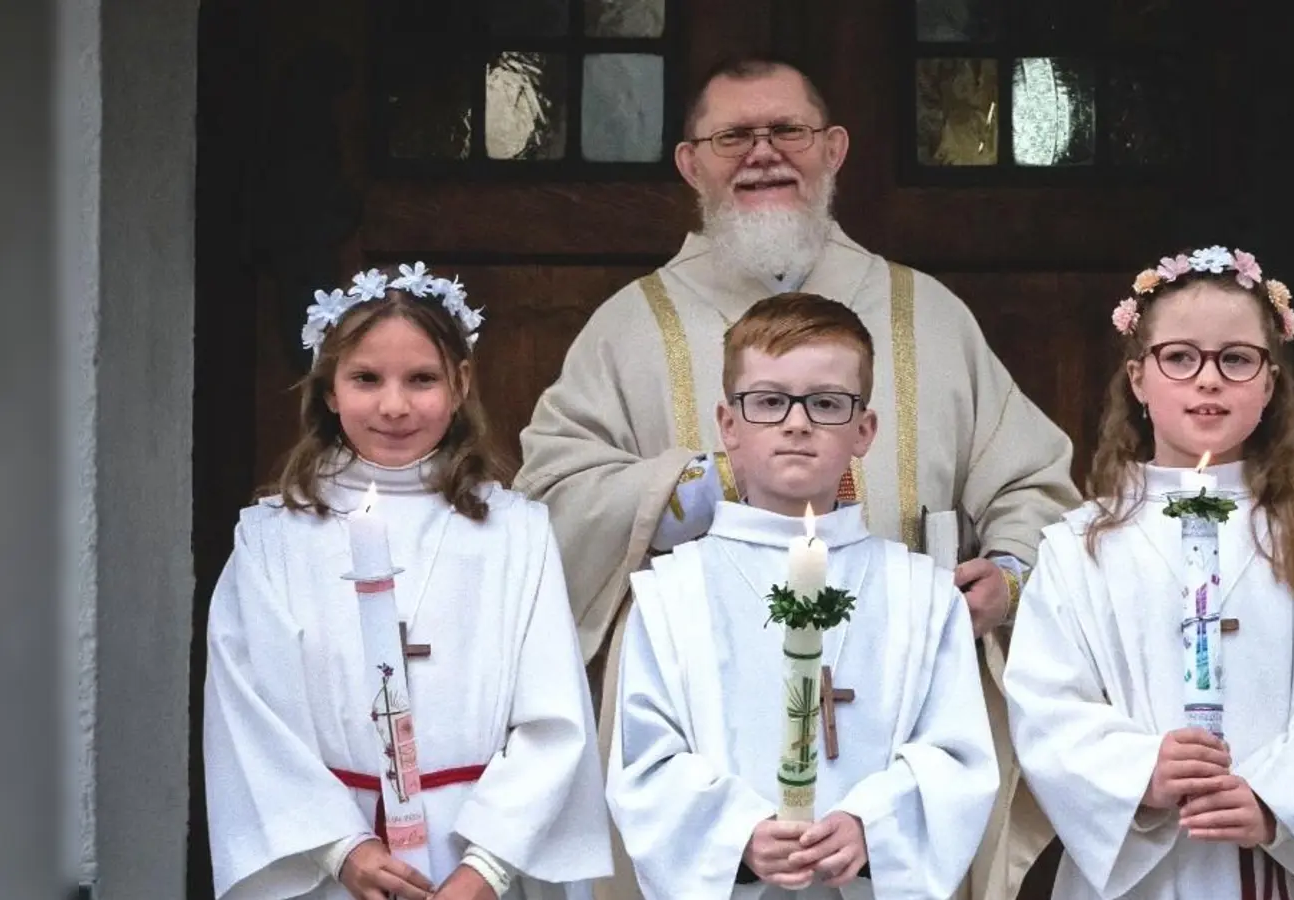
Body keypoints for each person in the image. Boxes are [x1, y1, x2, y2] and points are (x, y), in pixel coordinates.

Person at [516, 56, 1076, 900]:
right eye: (733, 135)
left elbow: (1035, 484)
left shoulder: (928, 314)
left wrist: (1010, 579)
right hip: (707, 712)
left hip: (897, 699)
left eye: (789, 131)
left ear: (836, 149)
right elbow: (549, 501)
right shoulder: (629, 326)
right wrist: (695, 487)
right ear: (689, 162)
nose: (763, 153)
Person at [1003, 247, 1294, 899]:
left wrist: (1276, 803)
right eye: (1181, 356)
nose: (1209, 379)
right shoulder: (1079, 550)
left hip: (1266, 863)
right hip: (1141, 873)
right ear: (1138, 377)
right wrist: (1142, 774)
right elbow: (1048, 703)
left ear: (1270, 383)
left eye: (1237, 358)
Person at [203, 264, 612, 900]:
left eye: (421, 379)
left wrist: (487, 870)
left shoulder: (514, 534)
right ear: (331, 389)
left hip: (480, 858)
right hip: (338, 862)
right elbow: (248, 715)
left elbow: (555, 718)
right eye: (366, 379)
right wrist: (343, 849)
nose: (394, 406)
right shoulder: (272, 543)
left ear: (461, 382)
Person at [606, 292, 999, 899]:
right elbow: (645, 763)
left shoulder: (922, 594)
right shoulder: (670, 596)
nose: (796, 422)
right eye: (768, 401)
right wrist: (739, 834)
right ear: (727, 426)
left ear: (864, 430)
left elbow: (959, 755)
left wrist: (872, 825)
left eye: (825, 403)